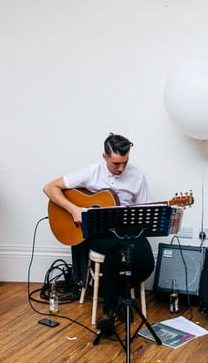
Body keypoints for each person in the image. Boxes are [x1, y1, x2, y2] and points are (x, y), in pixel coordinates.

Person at [43, 133, 154, 330]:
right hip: (98, 232)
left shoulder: (138, 176)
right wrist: (74, 209)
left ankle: (119, 297)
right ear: (105, 157)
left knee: (146, 263)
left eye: (125, 163)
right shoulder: (91, 172)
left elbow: (143, 212)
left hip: (127, 230)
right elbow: (50, 188)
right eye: (115, 164)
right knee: (112, 249)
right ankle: (108, 312)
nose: (121, 168)